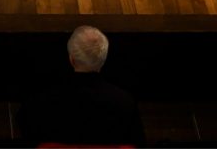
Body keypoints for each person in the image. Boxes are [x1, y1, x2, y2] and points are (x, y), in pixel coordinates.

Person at [17, 26, 145, 146]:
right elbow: (136, 142)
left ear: (71, 59)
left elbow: (27, 133)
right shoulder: (124, 102)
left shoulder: (42, 102)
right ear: (103, 60)